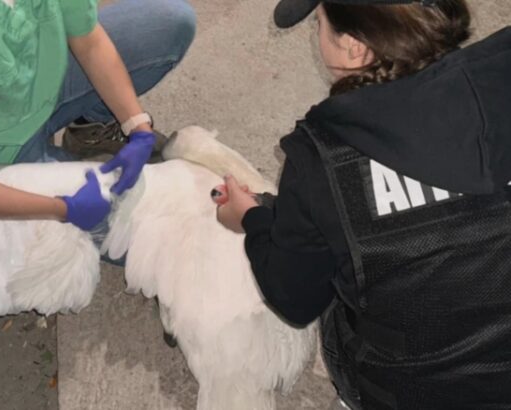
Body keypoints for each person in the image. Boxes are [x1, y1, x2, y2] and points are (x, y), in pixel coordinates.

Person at [215, 0, 511, 408]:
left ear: (355, 46)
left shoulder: (325, 157)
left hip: (413, 392)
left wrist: (252, 218)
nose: (317, 35)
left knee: (333, 257)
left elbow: (295, 300)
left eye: (319, 23)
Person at [0, 0, 196, 231]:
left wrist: (137, 124)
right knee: (149, 228)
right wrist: (62, 209)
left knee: (171, 21)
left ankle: (89, 128)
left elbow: (89, 41)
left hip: (38, 77)